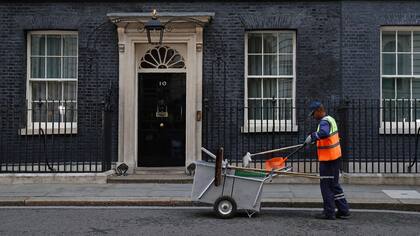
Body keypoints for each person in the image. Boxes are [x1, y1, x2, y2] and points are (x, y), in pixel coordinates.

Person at [305, 101, 350, 220]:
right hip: (335, 157)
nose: (313, 116)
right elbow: (327, 137)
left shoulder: (324, 121)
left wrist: (313, 137)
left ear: (319, 110)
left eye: (313, 113)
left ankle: (329, 212)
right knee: (334, 185)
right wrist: (316, 139)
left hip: (328, 160)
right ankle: (343, 210)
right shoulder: (331, 119)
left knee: (326, 186)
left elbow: (324, 133)